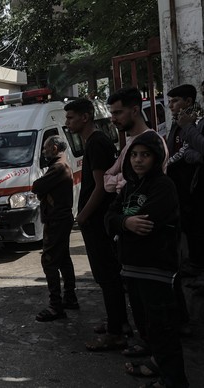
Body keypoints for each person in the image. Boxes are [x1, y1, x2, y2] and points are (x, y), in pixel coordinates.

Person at [105, 131, 189, 388]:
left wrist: (122, 225)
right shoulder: (130, 186)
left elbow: (147, 223)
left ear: (157, 157)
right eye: (134, 155)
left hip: (156, 270)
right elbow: (109, 219)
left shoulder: (163, 186)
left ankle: (174, 381)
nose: (138, 160)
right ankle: (159, 366)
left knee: (163, 330)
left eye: (145, 155)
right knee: (148, 328)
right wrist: (124, 222)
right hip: (131, 268)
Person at [64, 98, 129, 351]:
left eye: (70, 118)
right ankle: (118, 322)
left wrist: (82, 216)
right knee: (106, 275)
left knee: (107, 275)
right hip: (96, 219)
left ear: (85, 117)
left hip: (98, 221)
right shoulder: (93, 142)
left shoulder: (97, 143)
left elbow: (101, 187)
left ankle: (116, 332)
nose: (67, 123)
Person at [31, 136, 77, 322]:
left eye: (45, 148)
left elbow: (37, 187)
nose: (43, 152)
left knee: (49, 261)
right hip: (60, 219)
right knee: (63, 258)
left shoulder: (58, 167)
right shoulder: (61, 166)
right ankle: (70, 297)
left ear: (54, 148)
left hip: (56, 220)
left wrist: (42, 189)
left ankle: (55, 305)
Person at [165, 84, 204, 278]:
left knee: (193, 225)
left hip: (189, 183)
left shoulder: (192, 122)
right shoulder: (177, 122)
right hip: (178, 184)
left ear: (188, 102)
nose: (171, 105)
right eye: (170, 101)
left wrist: (165, 166)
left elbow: (188, 151)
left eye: (175, 101)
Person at [104, 87, 166, 193]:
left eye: (118, 113)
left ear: (135, 111)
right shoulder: (130, 141)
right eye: (112, 113)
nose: (113, 119)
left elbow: (139, 183)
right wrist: (125, 177)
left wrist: (124, 179)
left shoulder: (154, 142)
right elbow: (107, 181)